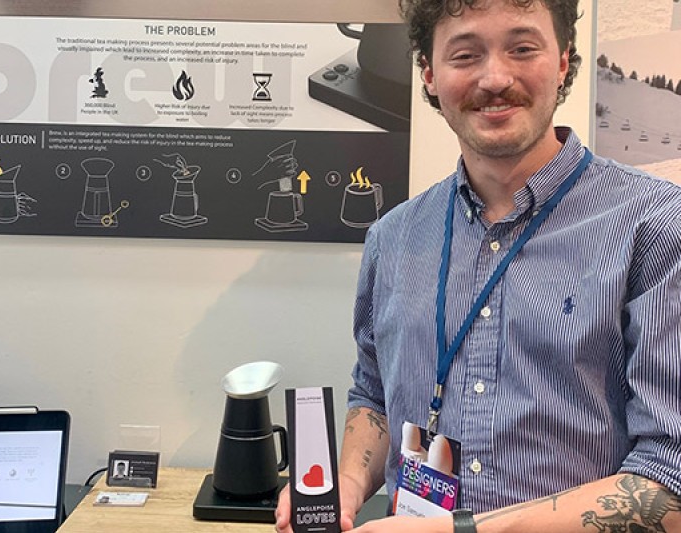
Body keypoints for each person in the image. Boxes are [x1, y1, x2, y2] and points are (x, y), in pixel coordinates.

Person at [276, 0, 681, 531]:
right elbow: (373, 393)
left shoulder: (655, 227)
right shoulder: (393, 237)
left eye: (522, 48)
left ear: (563, 60)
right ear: (429, 73)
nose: (495, 78)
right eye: (465, 54)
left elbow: (669, 483)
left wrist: (462, 530)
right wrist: (348, 484)